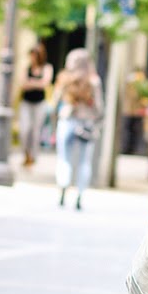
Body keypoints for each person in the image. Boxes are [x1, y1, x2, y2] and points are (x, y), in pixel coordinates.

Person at [53, 49, 103, 209]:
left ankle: (63, 188)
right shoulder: (94, 81)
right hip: (86, 124)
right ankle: (80, 195)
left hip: (67, 121)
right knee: (84, 161)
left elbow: (55, 101)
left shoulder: (64, 78)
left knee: (64, 158)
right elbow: (99, 108)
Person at [18, 42, 53, 166]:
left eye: (34, 55)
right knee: (25, 129)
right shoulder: (26, 68)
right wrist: (37, 83)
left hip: (40, 103)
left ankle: (33, 156)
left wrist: (30, 82)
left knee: (35, 131)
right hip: (26, 102)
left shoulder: (47, 68)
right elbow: (23, 84)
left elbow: (45, 84)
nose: (32, 58)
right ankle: (25, 154)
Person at [121, 68, 148, 155]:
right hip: (133, 111)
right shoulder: (135, 82)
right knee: (132, 131)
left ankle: (131, 148)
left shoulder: (135, 82)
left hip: (135, 111)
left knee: (133, 131)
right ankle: (129, 148)